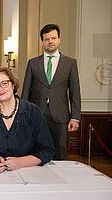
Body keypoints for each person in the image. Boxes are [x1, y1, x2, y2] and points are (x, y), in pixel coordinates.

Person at [0, 67, 55, 173]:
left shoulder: (33, 111)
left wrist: (20, 162)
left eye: (4, 83)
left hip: (30, 172)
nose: (0, 89)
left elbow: (47, 149)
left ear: (13, 85)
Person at [21, 24, 81, 160]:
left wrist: (75, 117)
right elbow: (26, 91)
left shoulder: (70, 63)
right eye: (47, 39)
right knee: (35, 150)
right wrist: (23, 115)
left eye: (53, 38)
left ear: (59, 39)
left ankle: (59, 180)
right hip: (35, 114)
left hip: (60, 115)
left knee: (59, 150)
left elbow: (75, 92)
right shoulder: (32, 63)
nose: (50, 41)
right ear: (42, 42)